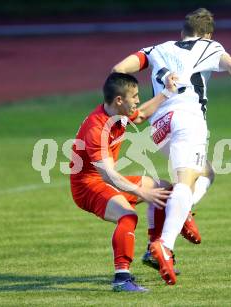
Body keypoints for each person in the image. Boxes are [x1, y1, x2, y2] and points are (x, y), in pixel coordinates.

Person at [112, 8, 231, 285]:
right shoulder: (209, 46)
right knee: (186, 182)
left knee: (206, 174)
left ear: (182, 33)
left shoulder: (157, 48)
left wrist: (123, 102)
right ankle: (163, 246)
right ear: (208, 34)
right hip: (186, 119)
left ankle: (180, 213)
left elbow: (118, 69)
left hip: (158, 126)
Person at [69, 72, 178, 292]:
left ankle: (153, 252)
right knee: (127, 215)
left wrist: (166, 92)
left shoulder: (119, 114)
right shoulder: (96, 129)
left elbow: (140, 115)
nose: (138, 100)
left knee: (164, 188)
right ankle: (121, 278)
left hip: (103, 180)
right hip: (88, 186)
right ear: (119, 100)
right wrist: (141, 192)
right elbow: (108, 176)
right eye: (134, 96)